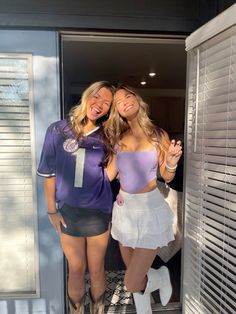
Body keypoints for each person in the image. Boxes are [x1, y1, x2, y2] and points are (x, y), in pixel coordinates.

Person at [37, 81, 115, 314]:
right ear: (87, 95)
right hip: (69, 211)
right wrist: (51, 209)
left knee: (97, 268)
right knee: (76, 268)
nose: (100, 105)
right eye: (97, 97)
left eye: (107, 103)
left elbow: (108, 174)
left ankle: (98, 310)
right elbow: (48, 173)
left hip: (98, 212)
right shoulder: (57, 130)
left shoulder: (107, 135)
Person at [104, 84, 182, 314]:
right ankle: (150, 294)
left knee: (131, 282)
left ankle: (160, 275)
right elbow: (108, 176)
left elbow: (166, 176)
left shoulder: (158, 136)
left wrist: (171, 162)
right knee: (135, 277)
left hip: (149, 212)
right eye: (118, 101)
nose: (124, 101)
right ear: (116, 110)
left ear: (138, 100)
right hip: (124, 211)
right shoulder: (118, 139)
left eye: (128, 96)